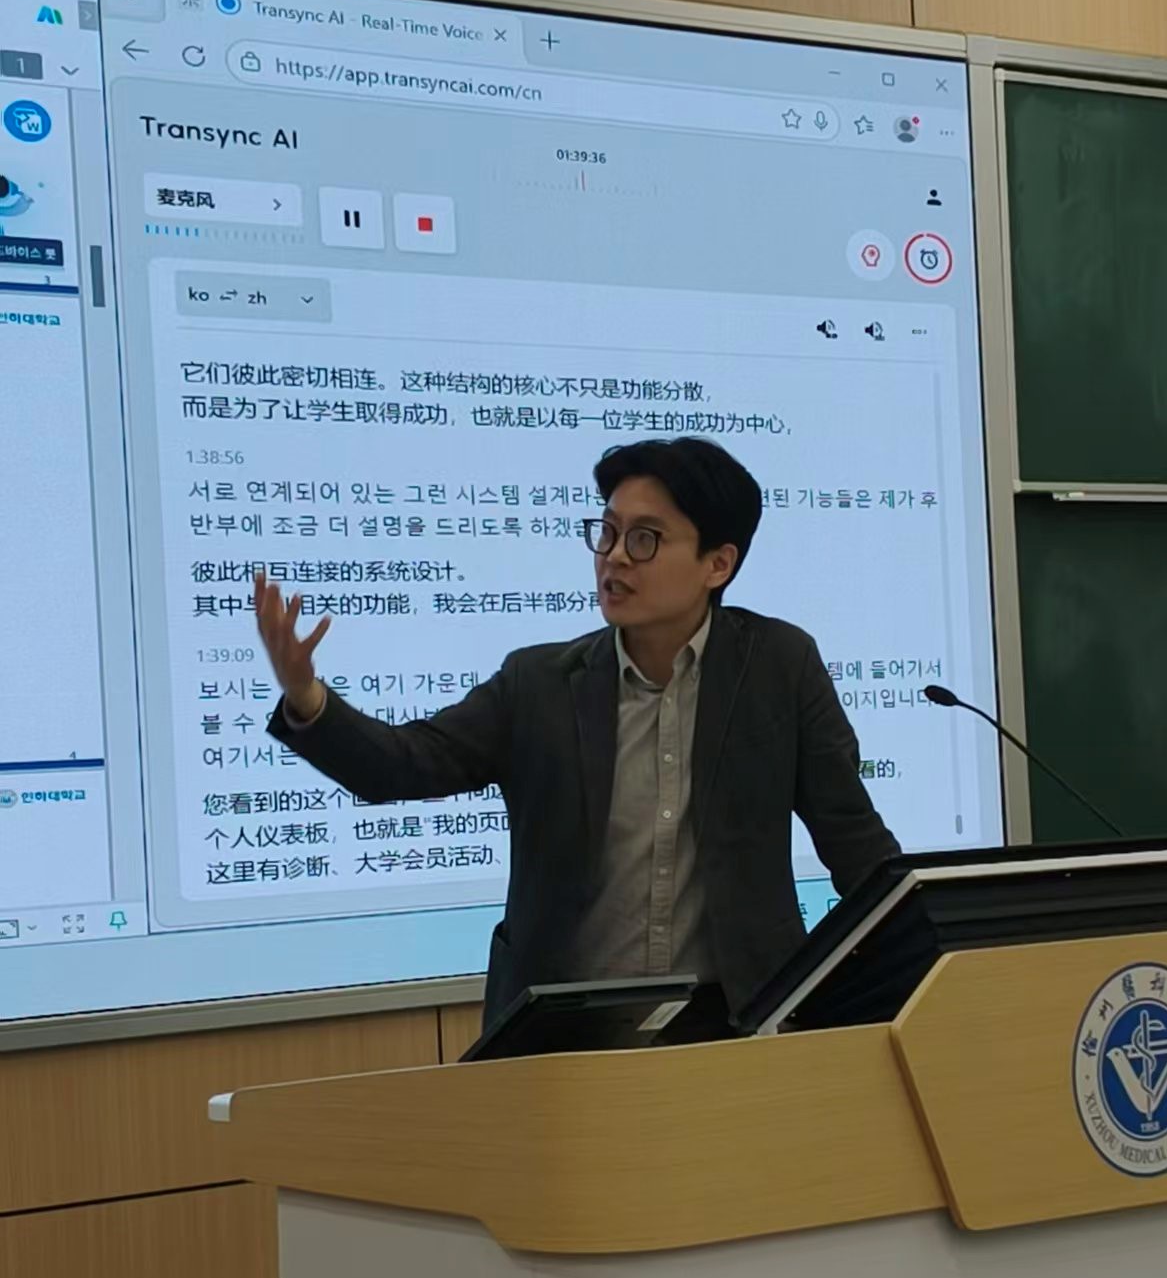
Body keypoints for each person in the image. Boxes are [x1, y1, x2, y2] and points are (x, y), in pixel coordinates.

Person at [255, 438, 900, 1028]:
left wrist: (920, 972)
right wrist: (307, 696)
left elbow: (853, 842)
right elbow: (402, 764)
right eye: (608, 533)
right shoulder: (539, 685)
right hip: (568, 1036)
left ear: (717, 563)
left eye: (645, 539)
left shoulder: (778, 668)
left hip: (739, 1027)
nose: (615, 557)